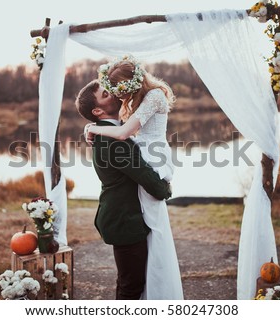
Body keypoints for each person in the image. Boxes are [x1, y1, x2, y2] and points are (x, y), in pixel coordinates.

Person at [85, 55, 184, 300]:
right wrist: (164, 190)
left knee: (132, 278)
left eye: (115, 89)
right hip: (124, 218)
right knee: (131, 284)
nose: (115, 94)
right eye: (108, 93)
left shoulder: (151, 98)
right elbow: (152, 183)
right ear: (97, 110)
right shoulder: (114, 139)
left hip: (145, 170)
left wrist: (92, 127)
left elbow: (125, 134)